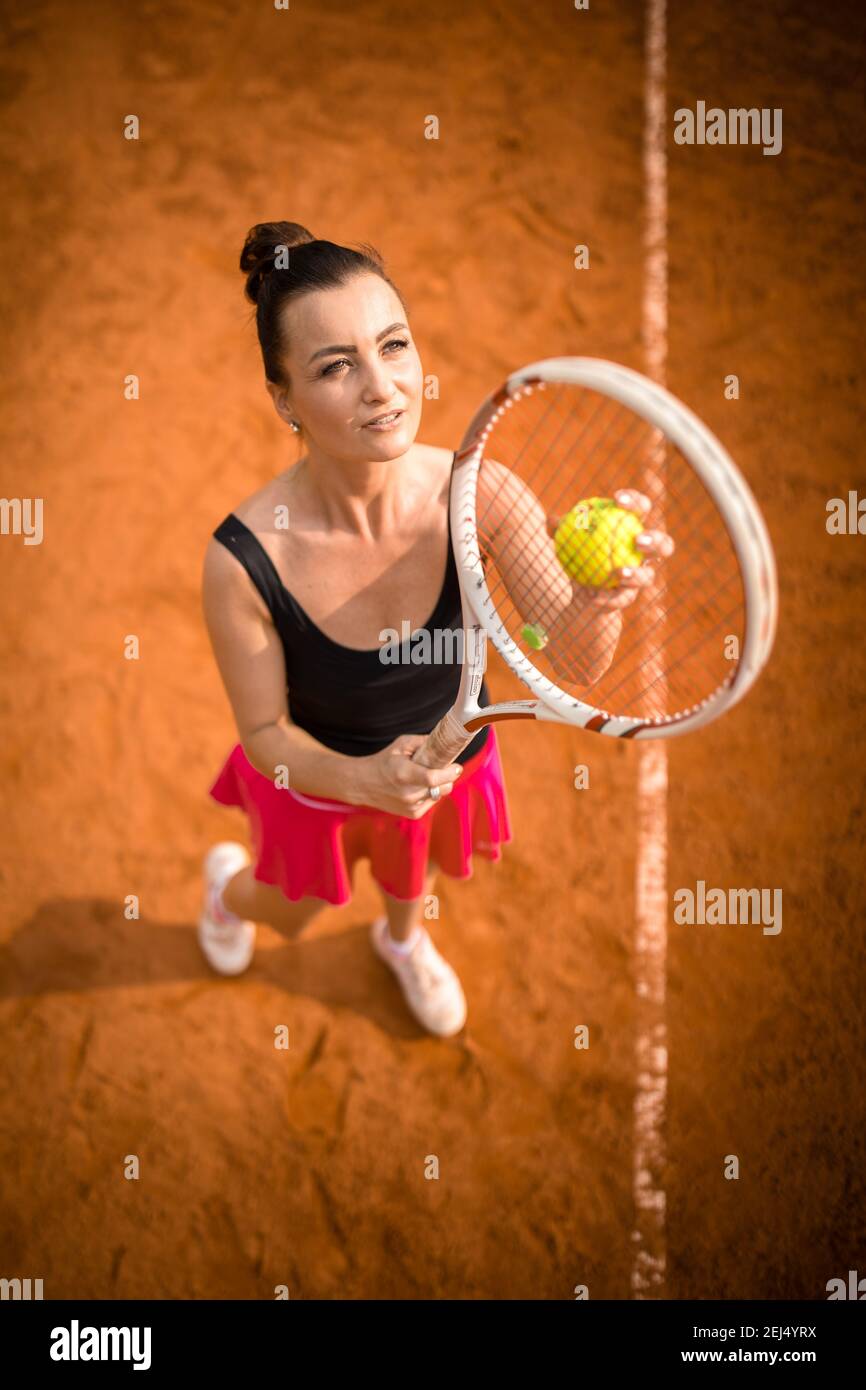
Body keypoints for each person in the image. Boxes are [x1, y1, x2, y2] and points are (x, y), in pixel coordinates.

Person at [198, 221, 513, 1038]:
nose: (383, 387)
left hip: (446, 762)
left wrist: (602, 601)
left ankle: (401, 941)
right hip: (315, 780)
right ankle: (225, 893)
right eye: (336, 366)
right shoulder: (243, 558)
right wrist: (364, 780)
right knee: (288, 911)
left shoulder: (482, 493)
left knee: (413, 879)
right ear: (283, 400)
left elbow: (577, 649)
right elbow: (264, 732)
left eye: (394, 345)